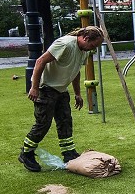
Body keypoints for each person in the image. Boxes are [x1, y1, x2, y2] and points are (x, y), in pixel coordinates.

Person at [18, 26, 104, 172]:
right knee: (43, 123)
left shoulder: (83, 51)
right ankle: (26, 153)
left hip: (61, 89)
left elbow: (75, 71)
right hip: (45, 88)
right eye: (93, 45)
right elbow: (40, 61)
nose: (92, 49)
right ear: (86, 38)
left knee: (65, 121)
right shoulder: (65, 44)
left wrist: (77, 93)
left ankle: (68, 153)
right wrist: (34, 87)